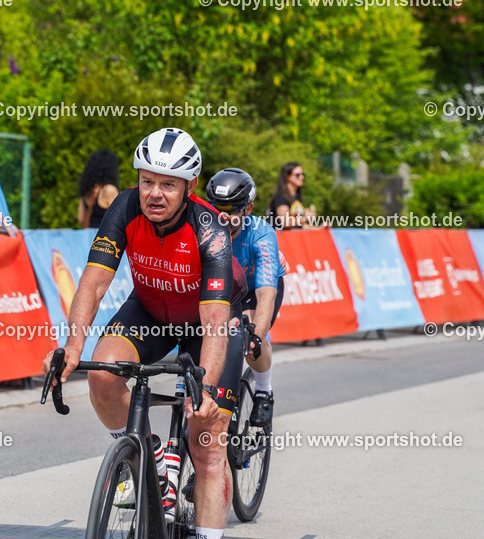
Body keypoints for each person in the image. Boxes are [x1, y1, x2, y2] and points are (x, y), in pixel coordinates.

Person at [43, 128, 243, 539]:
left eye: (168, 184)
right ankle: (146, 457)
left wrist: (202, 386)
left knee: (206, 443)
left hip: (210, 326)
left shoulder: (210, 231)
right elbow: (94, 282)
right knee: (102, 375)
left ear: (189, 187)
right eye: (147, 180)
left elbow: (214, 322)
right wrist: (72, 347)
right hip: (150, 309)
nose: (154, 193)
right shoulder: (124, 206)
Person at [206, 168, 286, 427]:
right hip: (222, 288)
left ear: (248, 209)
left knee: (246, 334)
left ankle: (264, 391)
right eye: (216, 207)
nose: (222, 215)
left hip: (255, 289)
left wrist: (256, 336)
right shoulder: (202, 229)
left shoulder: (261, 235)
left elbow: (266, 294)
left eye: (230, 209)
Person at [266, 162, 323, 230]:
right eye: (297, 175)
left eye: (302, 174)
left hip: (292, 238)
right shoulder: (280, 196)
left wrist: (319, 229)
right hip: (279, 238)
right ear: (287, 176)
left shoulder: (296, 196)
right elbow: (285, 222)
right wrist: (306, 218)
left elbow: (299, 226)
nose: (302, 177)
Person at [77, 149, 121, 229]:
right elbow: (119, 219)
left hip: (91, 237)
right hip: (106, 238)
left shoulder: (86, 190)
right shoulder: (109, 190)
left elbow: (81, 219)